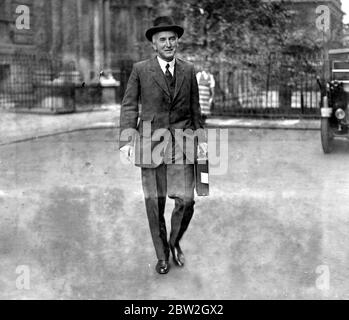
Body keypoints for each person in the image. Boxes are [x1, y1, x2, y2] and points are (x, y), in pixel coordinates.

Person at [118, 16, 206, 275]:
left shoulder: (188, 70)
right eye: (162, 40)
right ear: (153, 45)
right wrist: (126, 140)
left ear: (177, 42)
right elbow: (129, 105)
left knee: (187, 201)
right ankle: (162, 255)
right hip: (151, 144)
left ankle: (175, 241)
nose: (168, 44)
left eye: (172, 39)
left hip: (182, 144)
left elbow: (195, 110)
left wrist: (201, 142)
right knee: (154, 204)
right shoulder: (140, 70)